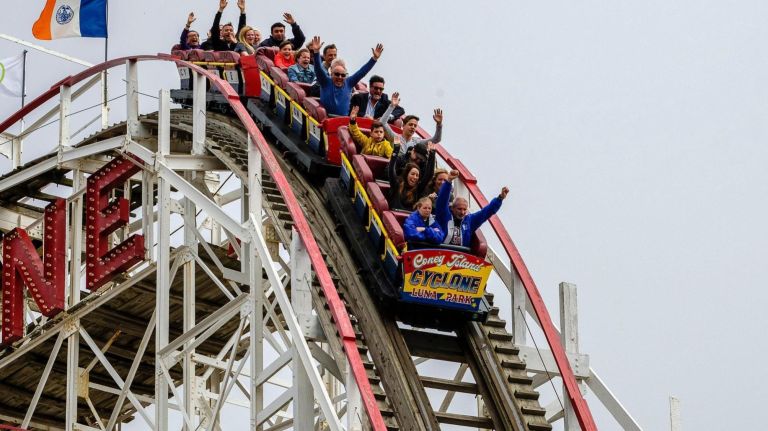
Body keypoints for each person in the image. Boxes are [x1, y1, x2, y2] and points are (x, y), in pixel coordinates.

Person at [308, 36, 383, 116]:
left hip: (343, 121)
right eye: (337, 74)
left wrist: (374, 59)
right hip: (327, 119)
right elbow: (318, 69)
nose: (340, 77)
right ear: (331, 73)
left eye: (343, 75)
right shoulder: (325, 81)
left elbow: (362, 72)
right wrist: (316, 52)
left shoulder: (349, 82)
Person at [434, 173, 510, 247]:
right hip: (440, 255)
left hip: (460, 258)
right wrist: (449, 181)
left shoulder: (469, 221)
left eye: (464, 209)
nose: (462, 212)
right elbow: (442, 200)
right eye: (459, 209)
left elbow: (486, 212)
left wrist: (500, 198)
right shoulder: (444, 216)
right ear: (452, 208)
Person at [387, 145, 433, 211]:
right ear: (406, 174)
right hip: (393, 216)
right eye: (412, 174)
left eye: (417, 175)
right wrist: (396, 149)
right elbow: (391, 169)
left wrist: (432, 153)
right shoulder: (397, 184)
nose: (415, 177)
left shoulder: (418, 189)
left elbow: (429, 175)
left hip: (410, 219)